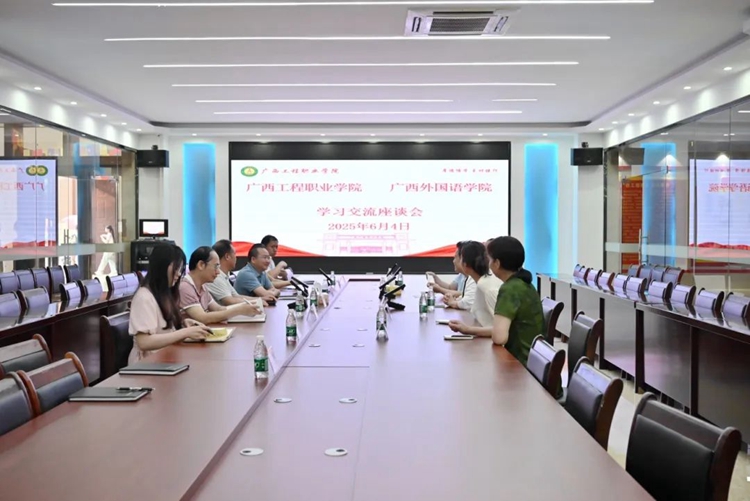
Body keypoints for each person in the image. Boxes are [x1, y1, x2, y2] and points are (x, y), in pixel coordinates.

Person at [449, 236, 544, 365]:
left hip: (521, 363)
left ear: (497, 263)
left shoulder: (509, 289)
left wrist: (468, 329)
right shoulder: (525, 284)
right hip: (534, 359)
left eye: (489, 258)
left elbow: (499, 337)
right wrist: (467, 329)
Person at [128, 244, 211, 363]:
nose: (178, 274)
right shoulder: (144, 297)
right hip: (147, 364)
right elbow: (144, 342)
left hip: (165, 357)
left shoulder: (164, 294)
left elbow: (162, 329)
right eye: (176, 268)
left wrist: (183, 324)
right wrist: (185, 333)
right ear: (161, 266)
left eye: (181, 269)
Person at [179, 246, 262, 324]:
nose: (218, 272)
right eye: (216, 267)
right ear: (201, 265)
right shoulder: (185, 287)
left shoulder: (203, 287)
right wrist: (238, 310)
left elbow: (218, 309)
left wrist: (244, 307)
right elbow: (203, 318)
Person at [206, 239, 267, 307]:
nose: (236, 257)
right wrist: (257, 302)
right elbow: (229, 301)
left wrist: (259, 299)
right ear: (227, 256)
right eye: (234, 254)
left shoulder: (224, 276)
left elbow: (236, 296)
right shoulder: (216, 277)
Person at [457, 241, 503, 328]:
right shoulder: (482, 282)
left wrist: (468, 329)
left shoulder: (486, 288)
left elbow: (501, 328)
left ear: (465, 264)